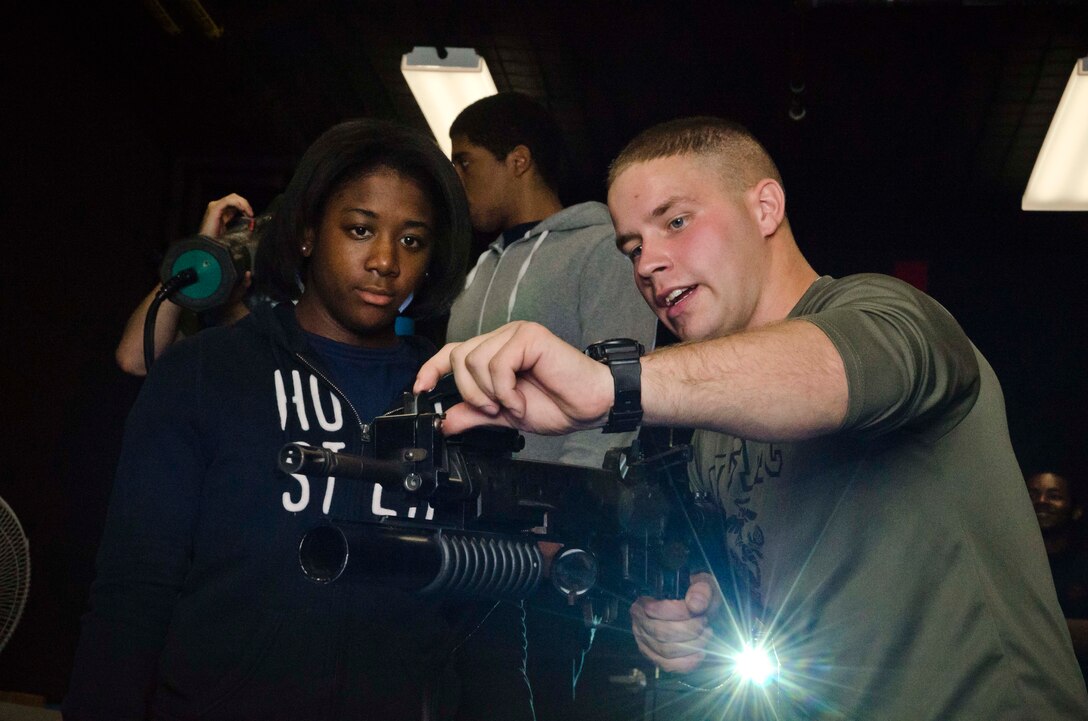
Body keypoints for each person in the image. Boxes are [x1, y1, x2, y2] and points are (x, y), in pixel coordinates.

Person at [415, 116, 1088, 719]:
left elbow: (831, 371)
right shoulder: (712, 425)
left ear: (764, 207)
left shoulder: (893, 314)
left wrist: (609, 384)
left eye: (675, 221)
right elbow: (763, 605)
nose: (648, 263)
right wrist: (696, 624)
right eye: (630, 246)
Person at [62, 119, 528, 720]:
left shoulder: (455, 396)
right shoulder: (206, 375)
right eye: (360, 230)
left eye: (412, 240)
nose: (385, 260)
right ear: (307, 234)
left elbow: (488, 612)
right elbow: (134, 589)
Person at [447, 92, 657, 467]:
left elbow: (620, 388)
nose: (456, 179)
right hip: (469, 508)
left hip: (557, 512)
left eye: (465, 162)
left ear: (518, 161)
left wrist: (573, 506)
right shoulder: (478, 270)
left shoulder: (600, 249)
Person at [114, 193, 262, 376]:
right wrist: (199, 252)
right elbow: (134, 360)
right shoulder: (206, 303)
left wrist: (233, 307)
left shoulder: (293, 301)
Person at [1027, 469, 1088, 680]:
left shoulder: (1082, 566)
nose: (1041, 501)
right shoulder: (1009, 564)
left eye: (1054, 496)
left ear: (1076, 510)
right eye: (1033, 495)